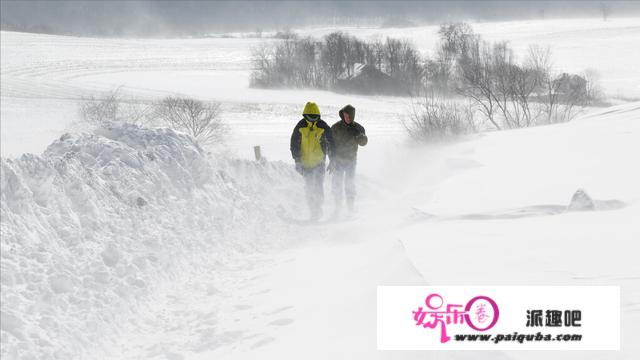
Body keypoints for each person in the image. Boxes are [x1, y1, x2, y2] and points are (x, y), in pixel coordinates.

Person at [290, 102, 334, 219]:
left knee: (318, 186)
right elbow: (294, 144)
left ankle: (318, 209)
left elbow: (331, 144)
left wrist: (332, 160)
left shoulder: (323, 127)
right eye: (310, 117)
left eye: (315, 117)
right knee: (309, 188)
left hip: (319, 163)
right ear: (305, 116)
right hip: (305, 164)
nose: (313, 119)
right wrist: (297, 161)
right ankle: (312, 210)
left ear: (318, 116)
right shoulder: (300, 126)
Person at [329, 104, 367, 214]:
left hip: (351, 161)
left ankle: (350, 208)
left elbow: (364, 143)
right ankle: (337, 208)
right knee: (336, 185)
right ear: (342, 115)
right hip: (338, 161)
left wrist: (360, 137)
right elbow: (329, 144)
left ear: (353, 116)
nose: (347, 118)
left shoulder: (358, 128)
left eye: (349, 116)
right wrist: (331, 159)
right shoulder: (335, 127)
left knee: (349, 185)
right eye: (345, 115)